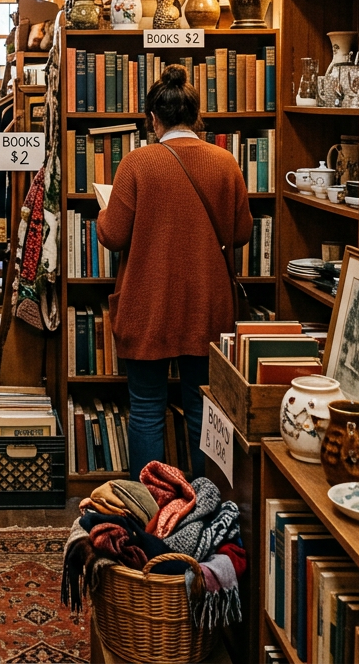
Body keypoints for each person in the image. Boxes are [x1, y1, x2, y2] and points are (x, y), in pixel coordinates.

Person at [96, 64, 252, 478]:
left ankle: (149, 511)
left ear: (153, 119)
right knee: (203, 409)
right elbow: (241, 232)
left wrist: (102, 214)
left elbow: (112, 235)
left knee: (146, 408)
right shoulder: (225, 163)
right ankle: (203, 511)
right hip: (207, 305)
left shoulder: (136, 164)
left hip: (149, 303)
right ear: (195, 115)